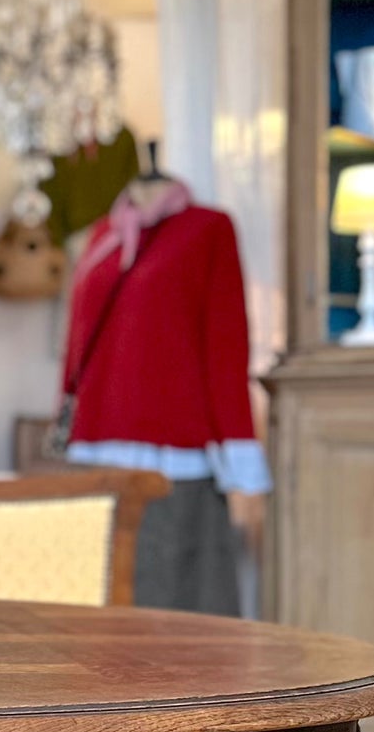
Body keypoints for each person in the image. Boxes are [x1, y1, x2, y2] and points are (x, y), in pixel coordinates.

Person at [58, 171, 269, 615]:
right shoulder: (105, 234)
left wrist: (240, 451)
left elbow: (225, 339)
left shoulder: (209, 228)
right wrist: (67, 410)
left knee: (175, 607)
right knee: (100, 606)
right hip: (96, 448)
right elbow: (77, 339)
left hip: (173, 451)